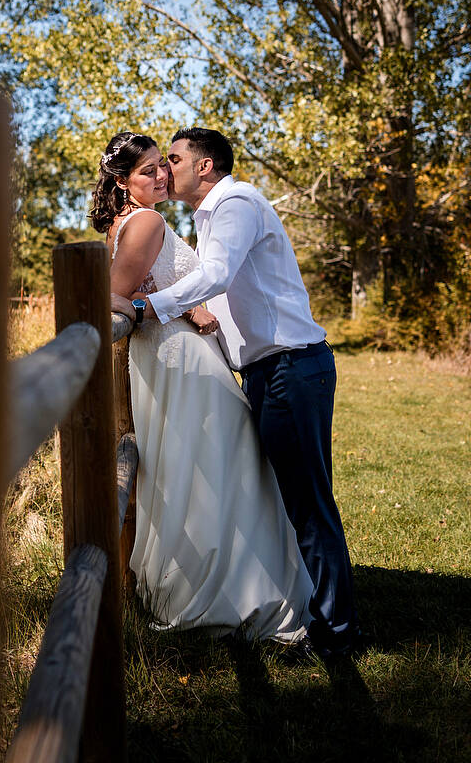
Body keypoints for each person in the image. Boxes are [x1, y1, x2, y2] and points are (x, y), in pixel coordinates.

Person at [118, 126, 360, 659]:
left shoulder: (236, 203)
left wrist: (147, 307)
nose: (165, 170)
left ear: (203, 166)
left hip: (291, 367)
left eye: (173, 159)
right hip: (267, 371)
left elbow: (218, 276)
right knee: (286, 494)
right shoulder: (206, 217)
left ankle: (336, 635)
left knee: (307, 502)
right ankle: (314, 611)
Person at [94, 131, 312, 640]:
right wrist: (177, 310)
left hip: (172, 351)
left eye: (164, 164)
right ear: (123, 182)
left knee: (198, 466)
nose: (162, 175)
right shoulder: (148, 221)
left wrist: (181, 306)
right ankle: (233, 593)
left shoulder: (133, 221)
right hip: (181, 357)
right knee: (227, 461)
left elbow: (146, 285)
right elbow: (115, 295)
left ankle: (212, 583)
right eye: (148, 169)